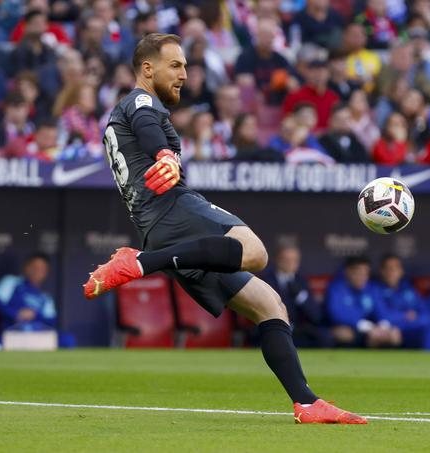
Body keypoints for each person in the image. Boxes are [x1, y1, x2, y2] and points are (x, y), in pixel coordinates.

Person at [84, 34, 365, 424]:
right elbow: (148, 126)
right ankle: (143, 263)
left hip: (157, 226)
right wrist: (164, 153)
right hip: (172, 210)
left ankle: (306, 402)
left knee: (270, 306)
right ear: (147, 69)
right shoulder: (141, 101)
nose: (185, 74)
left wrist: (164, 154)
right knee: (256, 252)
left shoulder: (129, 110)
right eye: (175, 66)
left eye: (185, 65)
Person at [0, 253, 75, 348]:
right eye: (34, 267)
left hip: (37, 334)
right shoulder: (11, 281)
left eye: (42, 269)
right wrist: (17, 313)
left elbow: (51, 320)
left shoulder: (45, 297)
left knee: (66, 339)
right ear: (26, 267)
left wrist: (35, 315)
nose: (37, 271)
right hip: (11, 332)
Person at [263, 245, 332, 348]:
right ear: (277, 260)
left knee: (324, 337)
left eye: (294, 260)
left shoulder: (301, 281)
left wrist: (300, 296)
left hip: (299, 330)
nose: (290, 263)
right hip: (274, 328)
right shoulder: (267, 280)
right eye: (286, 259)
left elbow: (316, 315)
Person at [326, 256, 401, 349]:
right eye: (358, 273)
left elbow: (382, 311)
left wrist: (382, 326)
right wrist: (367, 326)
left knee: (394, 334)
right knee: (344, 334)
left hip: (372, 331)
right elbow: (337, 314)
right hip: (351, 328)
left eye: (365, 273)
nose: (362, 277)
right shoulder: (337, 288)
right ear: (348, 272)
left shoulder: (371, 288)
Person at [373, 255, 430, 350]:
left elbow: (425, 313)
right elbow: (382, 316)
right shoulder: (375, 289)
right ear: (382, 271)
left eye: (395, 268)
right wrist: (405, 315)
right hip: (387, 331)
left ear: (401, 271)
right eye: (388, 268)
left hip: (406, 329)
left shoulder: (407, 289)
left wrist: (402, 325)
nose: (392, 272)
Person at [282, 57, 339, 131]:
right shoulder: (295, 96)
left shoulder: (333, 97)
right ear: (307, 73)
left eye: (323, 71)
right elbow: (288, 122)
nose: (319, 75)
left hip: (328, 139)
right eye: (315, 71)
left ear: (328, 74)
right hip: (303, 138)